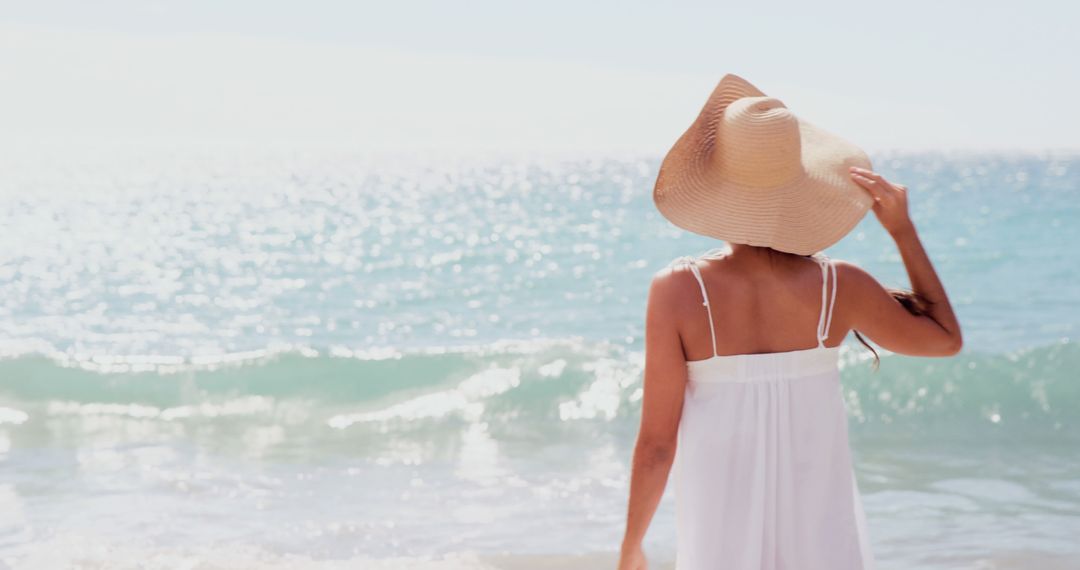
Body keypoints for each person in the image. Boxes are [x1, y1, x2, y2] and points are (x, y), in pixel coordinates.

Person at [617, 74, 962, 570]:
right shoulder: (839, 286)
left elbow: (655, 446)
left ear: (717, 184)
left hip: (720, 536)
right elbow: (945, 340)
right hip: (820, 538)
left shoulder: (677, 290)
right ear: (801, 184)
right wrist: (902, 232)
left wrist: (632, 547)